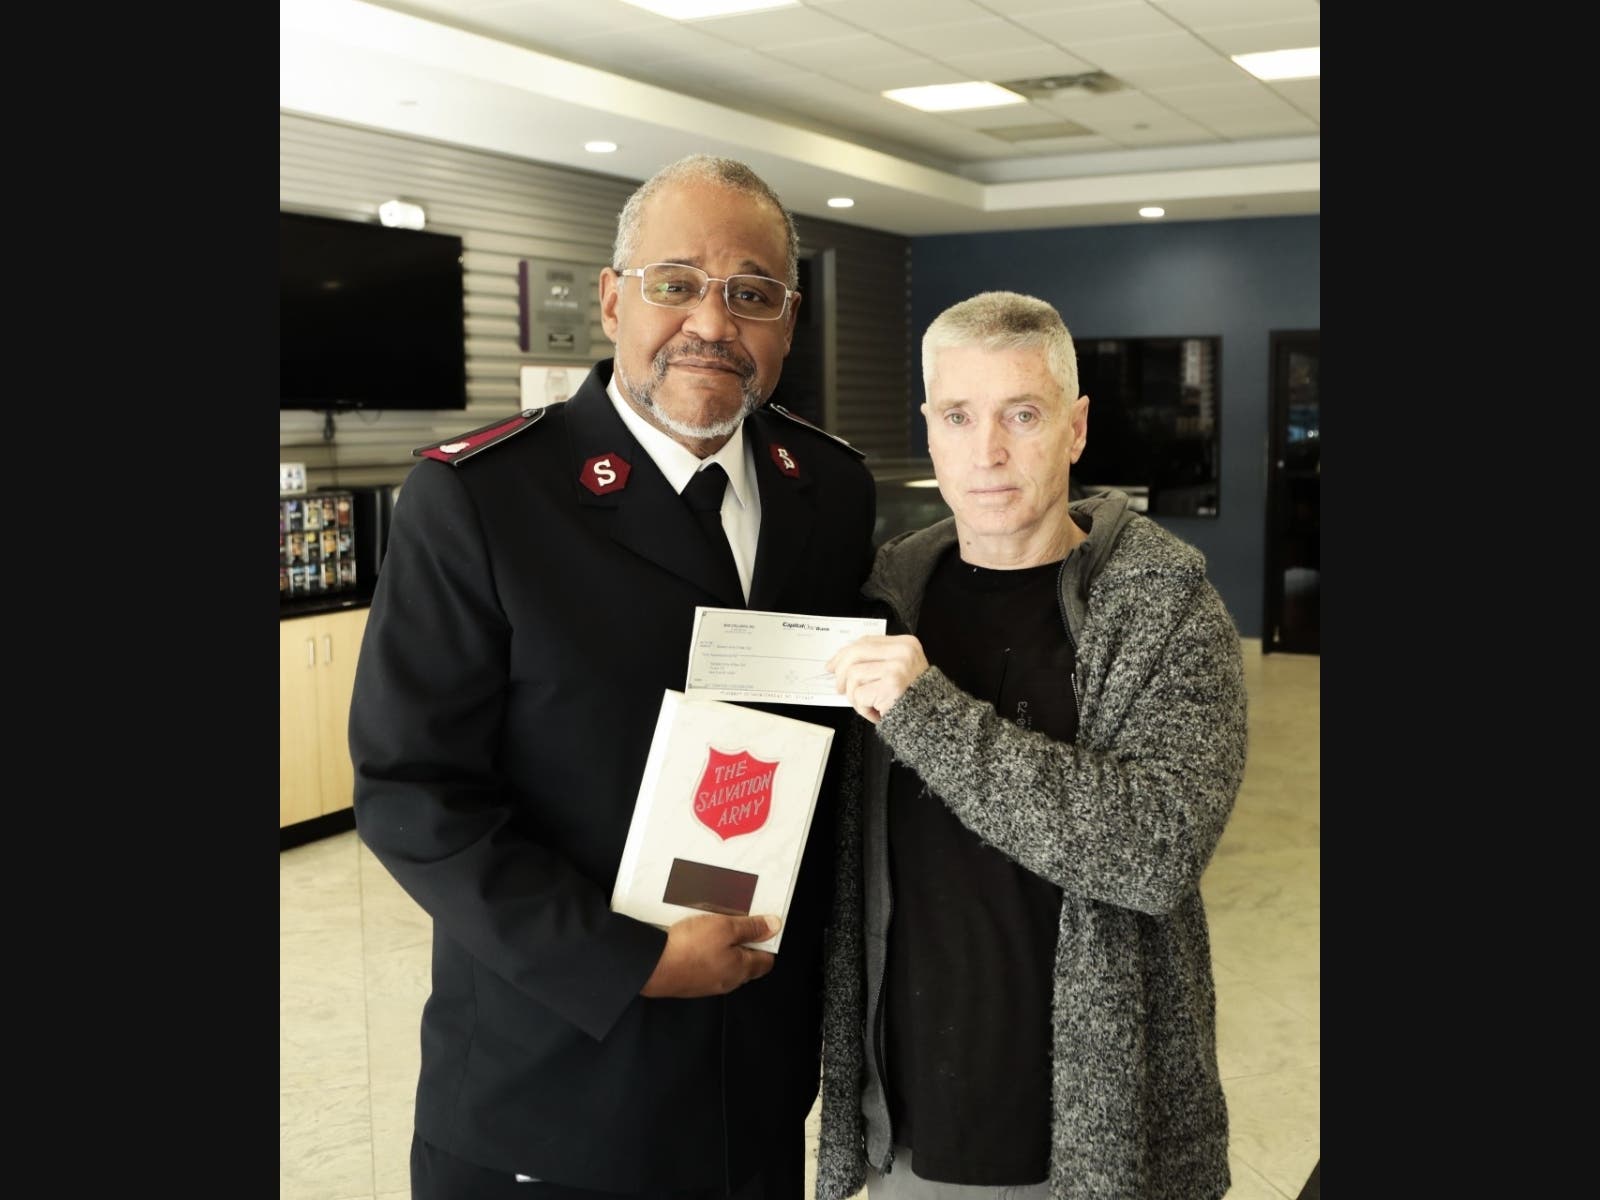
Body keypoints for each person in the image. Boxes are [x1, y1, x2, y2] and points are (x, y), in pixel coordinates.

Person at [348, 154, 877, 1200]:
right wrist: (623, 959)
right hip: (550, 1092)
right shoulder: (482, 500)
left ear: (788, 320)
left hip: (754, 1080)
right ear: (610, 299)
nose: (712, 324)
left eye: (751, 294)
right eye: (674, 282)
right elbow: (415, 795)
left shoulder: (829, 489)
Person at [813, 291, 1248, 1200]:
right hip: (910, 1123)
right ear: (929, 429)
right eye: (959, 417)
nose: (989, 453)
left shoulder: (1163, 606)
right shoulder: (885, 596)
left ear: (1076, 426)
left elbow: (1156, 849)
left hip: (1096, 1129)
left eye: (1022, 414)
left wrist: (928, 714)